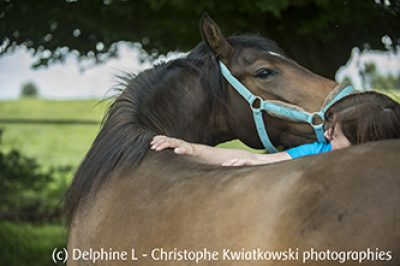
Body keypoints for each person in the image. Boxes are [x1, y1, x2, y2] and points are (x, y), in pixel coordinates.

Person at [150, 92, 400, 166]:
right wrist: (191, 148)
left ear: (367, 142)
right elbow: (253, 158)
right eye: (328, 128)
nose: (325, 135)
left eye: (335, 134)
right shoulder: (321, 149)